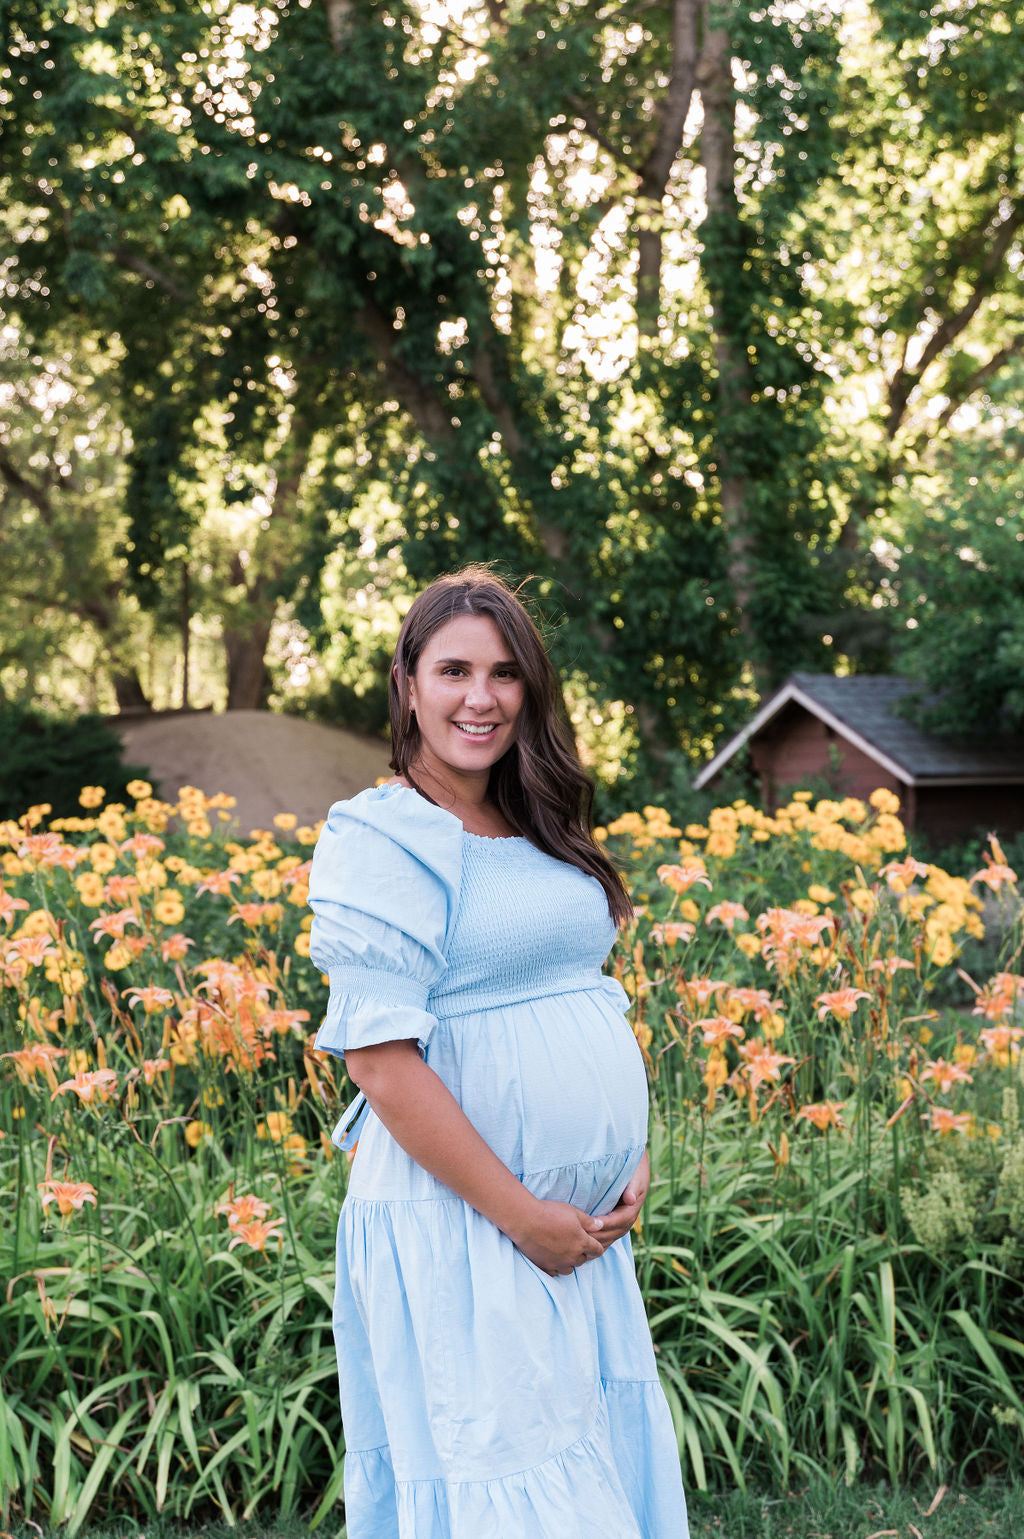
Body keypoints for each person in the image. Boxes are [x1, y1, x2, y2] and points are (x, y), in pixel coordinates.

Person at [307, 566, 689, 1538]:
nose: (481, 697)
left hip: (576, 1238)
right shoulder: (383, 836)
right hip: (469, 1229)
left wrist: (625, 1150)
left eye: (506, 673)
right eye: (453, 670)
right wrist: (524, 1218)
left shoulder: (541, 822)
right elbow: (380, 1064)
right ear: (406, 684)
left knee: (582, 1477)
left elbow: (583, 990)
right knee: (519, 1504)